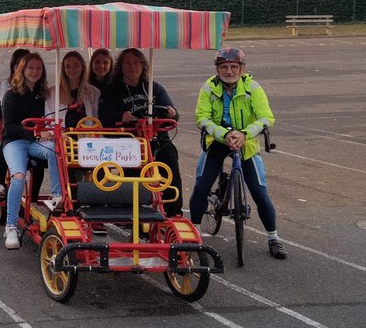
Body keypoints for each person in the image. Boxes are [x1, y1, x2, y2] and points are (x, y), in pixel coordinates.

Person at [190, 47, 286, 259]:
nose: (229, 71)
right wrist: (224, 134)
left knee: (259, 192)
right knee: (202, 185)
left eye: (234, 67)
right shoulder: (208, 88)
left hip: (246, 142)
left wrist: (244, 134)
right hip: (217, 141)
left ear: (242, 69)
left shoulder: (252, 88)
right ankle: (193, 233)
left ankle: (274, 238)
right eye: (224, 67)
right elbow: (202, 118)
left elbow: (266, 118)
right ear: (217, 69)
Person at [97, 47, 183, 215]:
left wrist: (172, 113)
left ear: (143, 66)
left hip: (155, 137)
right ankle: (131, 207)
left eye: (136, 63)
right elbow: (104, 117)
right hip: (128, 139)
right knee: (133, 164)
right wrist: (122, 116)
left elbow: (173, 114)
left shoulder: (153, 87)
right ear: (121, 67)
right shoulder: (113, 89)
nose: (132, 67)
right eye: (127, 63)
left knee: (169, 158)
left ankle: (173, 210)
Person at [0, 52, 63, 249]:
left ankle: (57, 195)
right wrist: (36, 133)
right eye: (30, 68)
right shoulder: (10, 94)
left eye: (38, 68)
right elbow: (9, 127)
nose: (34, 72)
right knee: (18, 176)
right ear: (22, 69)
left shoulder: (41, 95)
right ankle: (10, 226)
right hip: (15, 142)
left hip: (34, 142)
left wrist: (47, 132)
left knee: (55, 149)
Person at [0, 47, 30, 203]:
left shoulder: (37, 87)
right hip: (12, 128)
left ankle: (33, 198)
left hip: (31, 129)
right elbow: (7, 112)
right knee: (6, 143)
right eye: (17, 65)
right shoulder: (8, 85)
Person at [51, 50, 101, 128]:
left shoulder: (93, 92)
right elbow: (49, 121)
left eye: (76, 65)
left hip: (85, 138)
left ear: (82, 67)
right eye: (68, 66)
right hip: (62, 137)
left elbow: (95, 120)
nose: (71, 69)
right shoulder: (53, 92)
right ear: (63, 69)